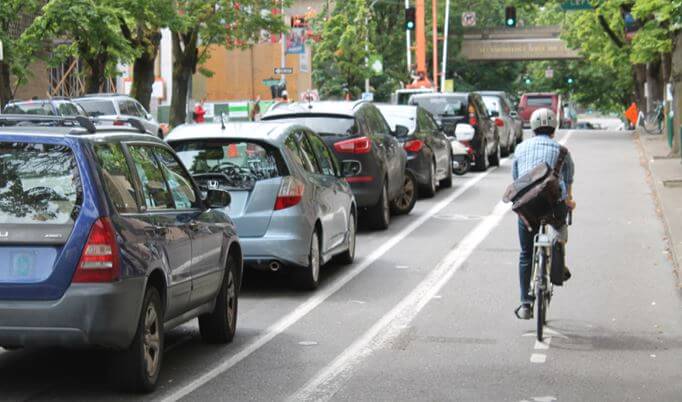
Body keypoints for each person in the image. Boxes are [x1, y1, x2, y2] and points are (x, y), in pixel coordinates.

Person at [512, 108, 575, 320]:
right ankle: (558, 257)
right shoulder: (563, 152)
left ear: (533, 128)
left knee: (525, 253)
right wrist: (569, 202)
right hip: (553, 206)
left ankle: (526, 303)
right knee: (560, 227)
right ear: (554, 129)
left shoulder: (520, 148)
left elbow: (516, 180)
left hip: (527, 207)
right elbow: (568, 184)